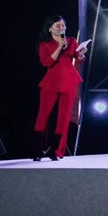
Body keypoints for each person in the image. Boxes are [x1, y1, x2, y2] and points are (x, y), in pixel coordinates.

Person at [34, 15, 86, 161]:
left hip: (69, 81)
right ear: (50, 28)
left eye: (63, 25)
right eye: (58, 25)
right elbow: (47, 63)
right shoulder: (44, 44)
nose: (61, 28)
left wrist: (81, 55)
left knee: (64, 117)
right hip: (51, 82)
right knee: (43, 114)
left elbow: (78, 59)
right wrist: (59, 47)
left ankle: (57, 151)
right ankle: (37, 149)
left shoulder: (71, 41)